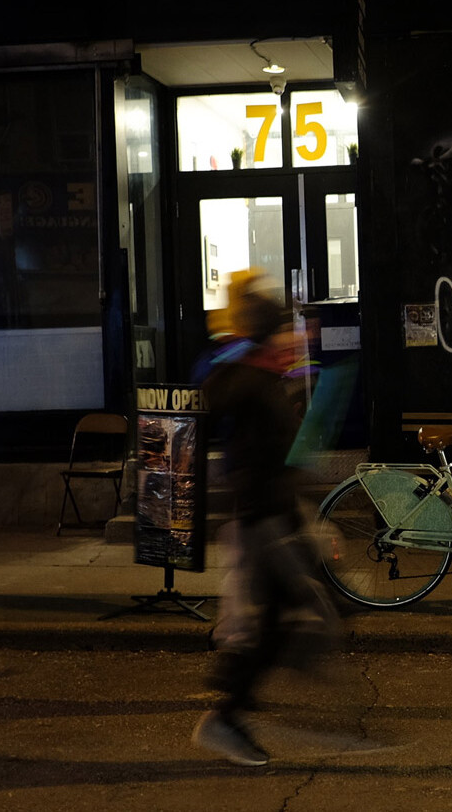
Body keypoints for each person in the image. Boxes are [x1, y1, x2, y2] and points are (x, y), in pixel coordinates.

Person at [190, 272, 341, 768]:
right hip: (263, 519)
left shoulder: (265, 377)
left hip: (275, 514)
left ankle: (232, 704)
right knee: (285, 618)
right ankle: (229, 710)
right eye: (282, 330)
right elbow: (219, 402)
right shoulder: (248, 378)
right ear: (265, 334)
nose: (292, 339)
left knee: (278, 620)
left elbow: (285, 448)